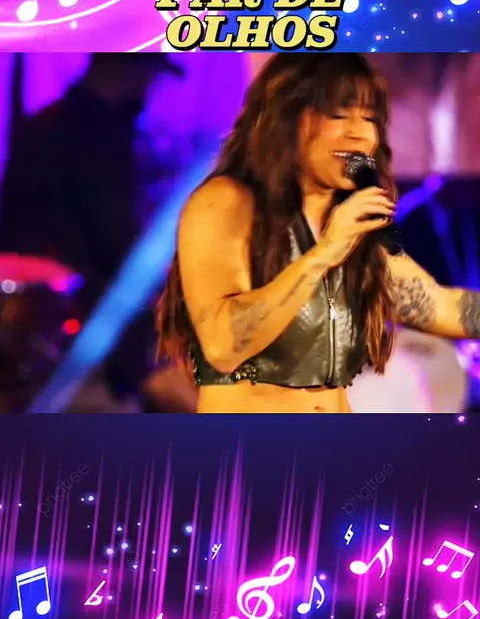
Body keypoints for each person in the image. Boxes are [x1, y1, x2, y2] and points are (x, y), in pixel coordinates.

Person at [156, 53, 480, 414]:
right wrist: (323, 254)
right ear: (288, 120)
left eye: (369, 118)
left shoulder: (351, 224)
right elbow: (223, 344)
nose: (360, 133)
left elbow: (435, 305)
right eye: (339, 116)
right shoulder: (226, 203)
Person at [0, 52, 183, 406]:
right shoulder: (99, 139)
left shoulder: (43, 128)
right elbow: (114, 239)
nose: (148, 88)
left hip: (43, 333)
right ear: (126, 68)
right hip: (88, 341)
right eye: (149, 75)